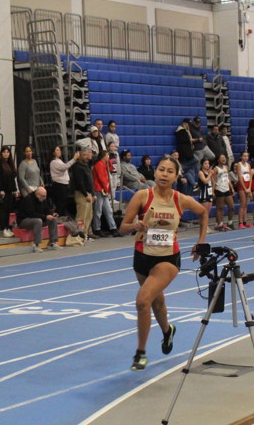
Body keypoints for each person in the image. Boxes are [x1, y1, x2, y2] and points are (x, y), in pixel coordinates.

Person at [119, 156, 208, 371]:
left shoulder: (180, 199)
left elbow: (204, 212)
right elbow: (122, 228)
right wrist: (136, 226)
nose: (164, 174)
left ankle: (140, 353)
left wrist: (200, 242)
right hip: (142, 256)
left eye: (169, 171)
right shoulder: (142, 196)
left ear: (176, 176)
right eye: (161, 169)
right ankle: (168, 331)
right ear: (155, 172)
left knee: (143, 301)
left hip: (168, 258)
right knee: (156, 302)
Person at [16, 187, 62, 251]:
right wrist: (45, 217)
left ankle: (52, 243)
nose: (45, 198)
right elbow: (32, 214)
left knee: (53, 220)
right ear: (37, 195)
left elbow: (46, 210)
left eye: (45, 196)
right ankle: (36, 245)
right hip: (24, 220)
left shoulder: (43, 199)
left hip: (37, 218)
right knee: (38, 221)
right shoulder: (28, 199)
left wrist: (52, 214)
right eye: (43, 196)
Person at [92, 150, 120, 237]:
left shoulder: (104, 164)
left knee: (108, 210)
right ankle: (97, 228)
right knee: (98, 210)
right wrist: (106, 189)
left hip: (103, 190)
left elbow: (111, 169)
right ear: (103, 156)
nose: (108, 156)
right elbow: (101, 178)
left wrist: (109, 162)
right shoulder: (99, 165)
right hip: (99, 189)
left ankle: (113, 228)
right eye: (107, 155)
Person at [71, 147, 96, 240]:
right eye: (83, 155)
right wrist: (85, 194)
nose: (86, 157)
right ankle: (77, 236)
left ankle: (85, 235)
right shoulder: (77, 167)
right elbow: (79, 183)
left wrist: (93, 194)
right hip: (82, 194)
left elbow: (90, 181)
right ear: (79, 156)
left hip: (88, 193)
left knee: (89, 216)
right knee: (81, 217)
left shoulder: (86, 165)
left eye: (86, 155)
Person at [0, 146, 19, 237]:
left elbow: (12, 179)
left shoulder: (10, 163)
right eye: (4, 152)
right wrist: (1, 190)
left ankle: (7, 227)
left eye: (7, 152)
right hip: (2, 191)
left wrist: (15, 190)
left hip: (9, 191)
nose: (6, 153)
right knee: (3, 210)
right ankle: (3, 229)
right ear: (1, 153)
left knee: (8, 210)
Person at [49, 145, 76, 216]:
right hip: (59, 185)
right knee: (60, 204)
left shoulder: (59, 160)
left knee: (63, 204)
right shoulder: (54, 162)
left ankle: (62, 217)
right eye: (57, 150)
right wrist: (74, 159)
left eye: (59, 150)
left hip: (63, 184)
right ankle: (58, 218)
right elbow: (64, 167)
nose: (60, 151)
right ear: (53, 153)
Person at [211, 153, 235, 231]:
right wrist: (213, 191)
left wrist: (232, 188)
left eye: (224, 158)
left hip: (227, 189)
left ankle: (230, 222)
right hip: (219, 189)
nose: (223, 159)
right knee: (220, 208)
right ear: (218, 160)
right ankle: (220, 224)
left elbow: (228, 178)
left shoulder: (226, 167)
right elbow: (213, 180)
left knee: (231, 206)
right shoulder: (216, 169)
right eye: (221, 158)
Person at [234, 151, 253, 228]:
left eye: (247, 156)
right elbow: (239, 176)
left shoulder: (248, 165)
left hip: (248, 184)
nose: (246, 157)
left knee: (246, 204)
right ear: (241, 157)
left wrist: (249, 188)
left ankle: (245, 221)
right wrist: (245, 188)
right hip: (242, 185)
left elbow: (250, 176)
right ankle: (240, 222)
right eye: (244, 156)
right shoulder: (239, 164)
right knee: (243, 204)